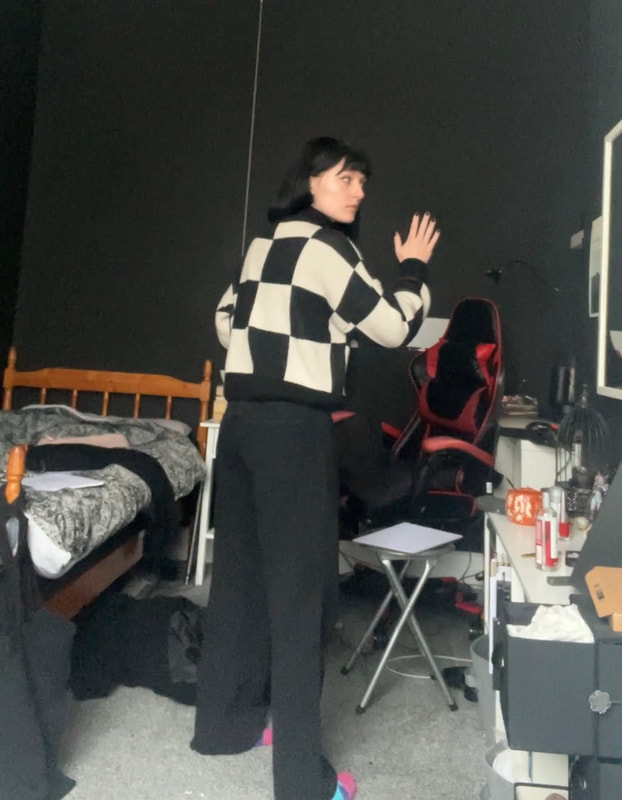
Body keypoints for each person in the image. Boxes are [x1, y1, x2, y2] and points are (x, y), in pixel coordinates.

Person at [192, 136, 440, 800]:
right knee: (303, 598)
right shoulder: (330, 249)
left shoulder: (262, 247)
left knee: (237, 582)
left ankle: (224, 725)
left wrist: (301, 333)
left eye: (363, 181)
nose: (359, 191)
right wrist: (413, 270)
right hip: (293, 434)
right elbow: (394, 328)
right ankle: (303, 782)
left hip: (240, 428)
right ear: (311, 181)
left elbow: (226, 321)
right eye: (347, 178)